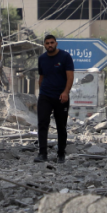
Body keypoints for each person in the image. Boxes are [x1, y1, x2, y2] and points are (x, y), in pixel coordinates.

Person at [35, 35, 74, 163]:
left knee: (61, 126)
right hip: (45, 96)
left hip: (61, 96)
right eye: (47, 43)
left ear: (56, 43)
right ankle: (42, 154)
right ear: (44, 45)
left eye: (52, 42)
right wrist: (41, 92)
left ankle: (61, 154)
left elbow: (70, 77)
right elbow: (41, 77)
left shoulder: (65, 57)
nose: (50, 45)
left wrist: (66, 92)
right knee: (42, 124)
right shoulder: (42, 59)